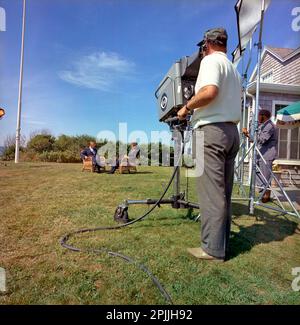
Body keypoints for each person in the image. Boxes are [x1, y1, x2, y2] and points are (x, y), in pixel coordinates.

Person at [177, 28, 242, 262]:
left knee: (211, 195)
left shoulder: (210, 61)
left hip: (212, 131)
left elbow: (209, 91)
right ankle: (221, 245)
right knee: (223, 193)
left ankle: (212, 249)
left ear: (207, 43)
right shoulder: (233, 68)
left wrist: (186, 107)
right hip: (231, 133)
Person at [243, 110, 278, 203]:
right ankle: (263, 193)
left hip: (267, 154)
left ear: (264, 116)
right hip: (260, 153)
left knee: (265, 175)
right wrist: (248, 134)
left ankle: (266, 196)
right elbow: (255, 140)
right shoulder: (263, 125)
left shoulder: (269, 126)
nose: (257, 118)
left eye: (259, 116)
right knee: (258, 174)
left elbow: (262, 140)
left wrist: (250, 134)